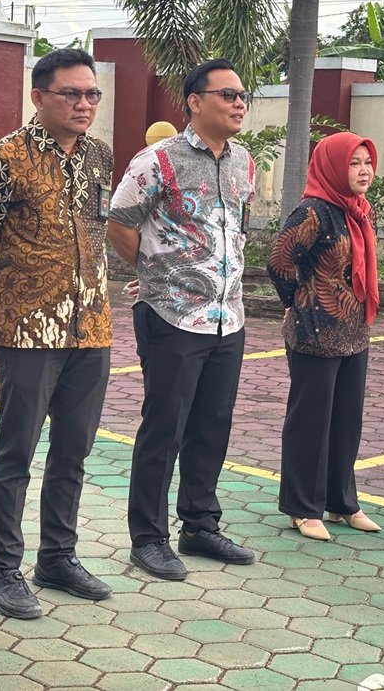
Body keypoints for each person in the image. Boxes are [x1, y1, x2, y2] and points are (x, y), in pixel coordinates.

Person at [0, 48, 114, 619]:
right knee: (17, 452)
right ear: (38, 97)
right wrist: (17, 294)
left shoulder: (101, 156)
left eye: (91, 94)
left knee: (74, 450)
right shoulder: (4, 158)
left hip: (92, 326)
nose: (84, 104)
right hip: (29, 330)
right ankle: (3, 570)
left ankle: (58, 556)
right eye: (71, 94)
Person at [107, 58, 257, 581]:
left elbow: (238, 229)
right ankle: (148, 539)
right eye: (228, 95)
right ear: (195, 102)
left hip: (227, 318)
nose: (239, 103)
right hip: (170, 315)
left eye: (243, 96)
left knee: (212, 425)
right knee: (164, 429)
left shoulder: (244, 162)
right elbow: (120, 223)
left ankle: (199, 525)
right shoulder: (157, 161)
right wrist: (158, 274)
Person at [266, 131, 382, 541]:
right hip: (314, 332)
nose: (364, 170)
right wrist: (294, 301)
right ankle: (302, 508)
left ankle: (341, 503)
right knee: (310, 421)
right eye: (354, 163)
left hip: (354, 332)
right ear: (333, 167)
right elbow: (279, 261)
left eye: (367, 162)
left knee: (346, 420)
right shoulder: (313, 211)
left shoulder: (359, 210)